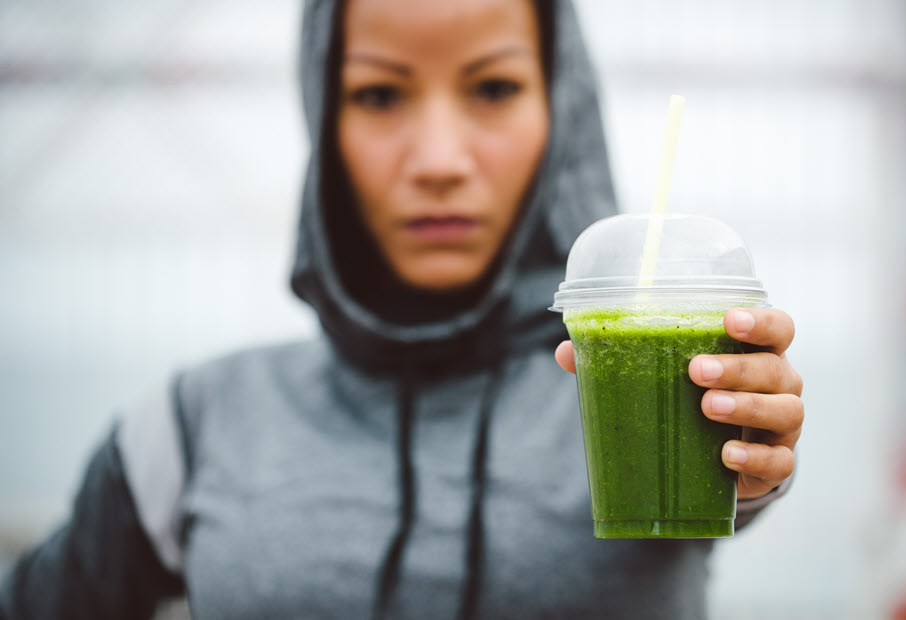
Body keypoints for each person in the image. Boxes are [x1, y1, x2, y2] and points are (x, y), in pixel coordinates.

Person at [0, 0, 803, 618]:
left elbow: (739, 477)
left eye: (493, 87)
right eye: (380, 94)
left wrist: (741, 443)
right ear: (323, 115)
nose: (439, 160)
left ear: (563, 113)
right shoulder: (188, 429)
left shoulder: (636, 392)